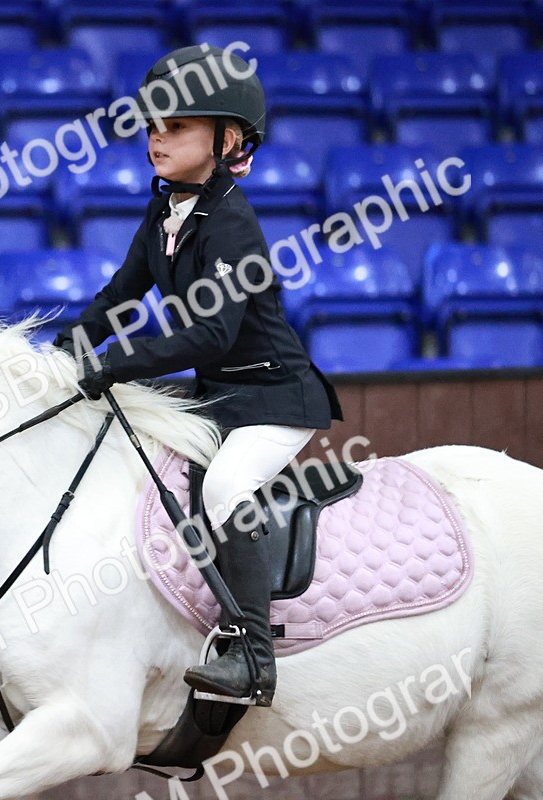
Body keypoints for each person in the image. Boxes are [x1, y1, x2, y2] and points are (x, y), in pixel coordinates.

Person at [52, 45, 343, 707]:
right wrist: (59, 354)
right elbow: (118, 298)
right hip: (219, 395)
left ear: (228, 138)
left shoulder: (232, 225)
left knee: (226, 488)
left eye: (176, 126)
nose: (157, 136)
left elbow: (211, 333)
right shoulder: (162, 216)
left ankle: (252, 655)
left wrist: (115, 365)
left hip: (273, 396)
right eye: (153, 124)